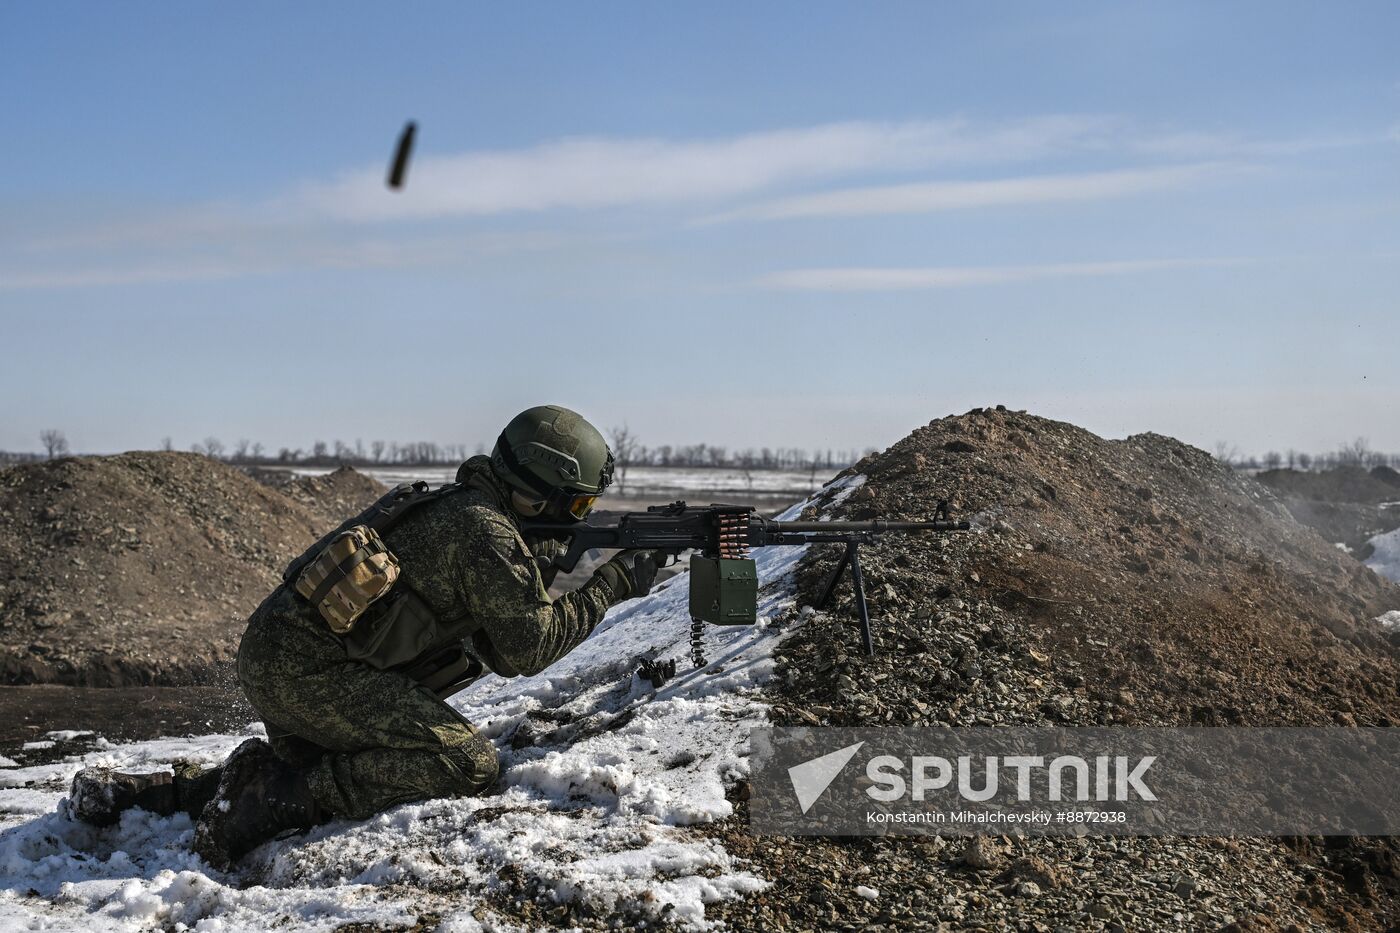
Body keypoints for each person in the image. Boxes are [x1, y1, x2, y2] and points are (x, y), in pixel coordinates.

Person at [70, 405, 660, 867]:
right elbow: (530, 650)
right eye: (578, 503)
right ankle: (270, 802)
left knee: (338, 752)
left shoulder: (465, 509)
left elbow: (501, 651)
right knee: (464, 761)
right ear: (537, 492)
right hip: (310, 675)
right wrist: (611, 585)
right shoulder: (487, 535)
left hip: (284, 660)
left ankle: (149, 797)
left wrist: (544, 563)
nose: (582, 517)